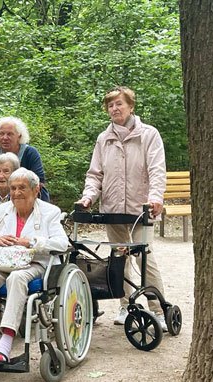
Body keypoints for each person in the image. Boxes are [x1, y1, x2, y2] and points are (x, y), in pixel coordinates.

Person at [0, 168, 69, 364]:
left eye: (22, 188)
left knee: (17, 278)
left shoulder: (50, 212)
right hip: (1, 262)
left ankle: (5, 345)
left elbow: (62, 244)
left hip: (34, 264)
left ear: (36, 190)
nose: (16, 193)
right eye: (13, 188)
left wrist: (31, 242)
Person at [76, 86, 168, 331]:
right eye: (110, 105)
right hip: (113, 209)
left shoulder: (148, 134)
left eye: (119, 103)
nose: (114, 108)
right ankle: (126, 305)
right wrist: (88, 198)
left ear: (131, 106)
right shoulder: (103, 139)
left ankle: (158, 309)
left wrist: (156, 198)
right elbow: (95, 175)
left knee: (143, 256)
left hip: (141, 209)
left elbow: (157, 171)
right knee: (119, 257)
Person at [0, 117, 50, 202]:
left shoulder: (30, 153)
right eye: (1, 134)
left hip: (28, 199)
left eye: (10, 134)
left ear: (19, 136)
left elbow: (38, 181)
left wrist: (12, 186)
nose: (5, 137)